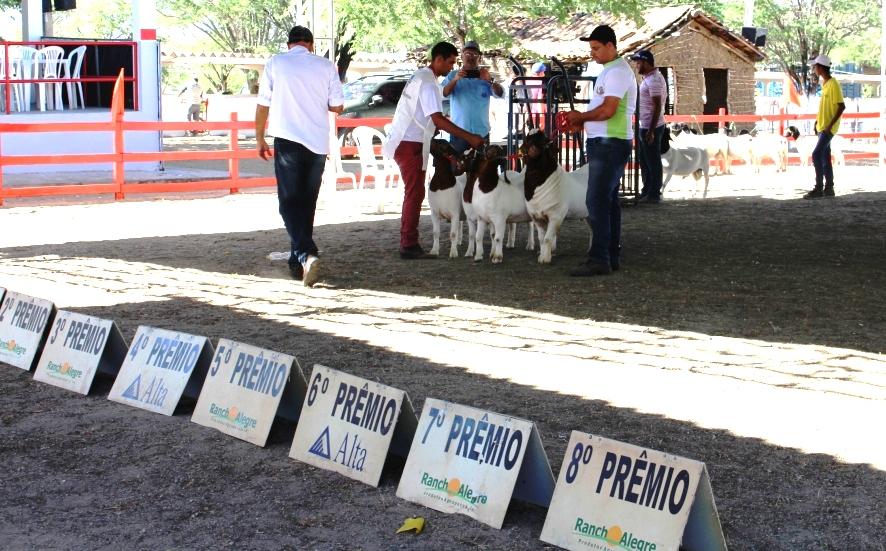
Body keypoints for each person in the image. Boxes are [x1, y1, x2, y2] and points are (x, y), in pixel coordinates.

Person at [254, 25, 344, 286]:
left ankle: (306, 252)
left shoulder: (276, 63)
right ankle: (299, 260)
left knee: (288, 201)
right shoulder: (326, 66)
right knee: (307, 201)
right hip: (317, 141)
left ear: (289, 44)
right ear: (311, 44)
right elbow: (336, 106)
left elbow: (263, 105)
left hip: (288, 140)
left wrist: (259, 138)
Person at [384, 42, 485, 259]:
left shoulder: (421, 76)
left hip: (411, 139)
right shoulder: (428, 83)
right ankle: (408, 244)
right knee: (415, 192)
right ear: (438, 59)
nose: (451, 67)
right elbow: (436, 118)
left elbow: (433, 117)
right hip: (411, 142)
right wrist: (469, 136)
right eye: (449, 62)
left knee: (416, 191)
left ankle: (409, 241)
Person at [564, 25, 636, 276]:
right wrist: (582, 120)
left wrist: (581, 117)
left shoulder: (617, 72)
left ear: (610, 46)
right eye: (591, 48)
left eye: (596, 48)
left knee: (595, 200)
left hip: (609, 142)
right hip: (607, 141)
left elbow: (608, 110)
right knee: (607, 201)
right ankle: (609, 255)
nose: (592, 53)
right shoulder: (611, 71)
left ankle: (600, 258)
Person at [441, 41, 504, 153]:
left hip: (481, 133)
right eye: (468, 54)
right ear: (462, 56)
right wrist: (455, 80)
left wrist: (490, 80)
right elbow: (443, 93)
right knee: (457, 168)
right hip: (458, 133)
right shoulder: (452, 75)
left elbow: (500, 94)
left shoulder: (486, 75)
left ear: (479, 57)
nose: (471, 57)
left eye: (475, 54)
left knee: (481, 168)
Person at [804, 54, 845, 199]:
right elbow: (825, 107)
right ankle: (829, 189)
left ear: (821, 67)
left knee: (816, 154)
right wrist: (817, 122)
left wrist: (829, 126)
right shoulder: (826, 84)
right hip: (822, 126)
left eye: (815, 66)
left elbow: (841, 106)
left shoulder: (833, 84)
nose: (814, 69)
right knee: (825, 157)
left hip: (828, 128)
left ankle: (819, 188)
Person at [630, 49, 667, 203]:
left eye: (638, 62)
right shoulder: (649, 78)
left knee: (652, 160)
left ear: (646, 62)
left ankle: (653, 193)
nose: (637, 66)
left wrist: (651, 130)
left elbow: (657, 106)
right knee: (645, 160)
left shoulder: (654, 80)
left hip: (651, 126)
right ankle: (647, 190)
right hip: (645, 124)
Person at [528, 62, 547, 130]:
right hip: (538, 112)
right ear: (540, 73)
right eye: (543, 72)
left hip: (529, 110)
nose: (544, 74)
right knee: (541, 131)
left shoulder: (527, 81)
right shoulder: (540, 83)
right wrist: (542, 117)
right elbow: (540, 101)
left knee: (531, 131)